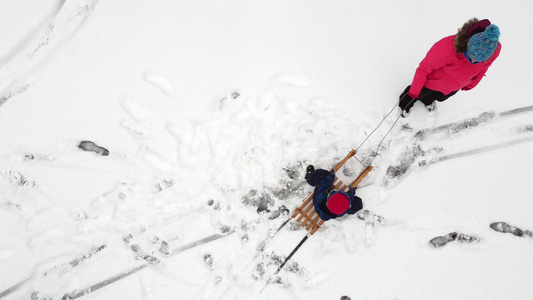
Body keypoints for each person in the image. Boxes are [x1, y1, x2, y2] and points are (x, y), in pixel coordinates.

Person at [399, 18, 501, 117]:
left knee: (439, 97)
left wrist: (473, 82)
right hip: (432, 83)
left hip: (453, 87)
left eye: (478, 61)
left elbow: (485, 67)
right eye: (471, 56)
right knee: (412, 96)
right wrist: (413, 93)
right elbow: (423, 70)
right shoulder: (447, 48)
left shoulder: (494, 50)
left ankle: (427, 100)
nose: (473, 62)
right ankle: (404, 106)